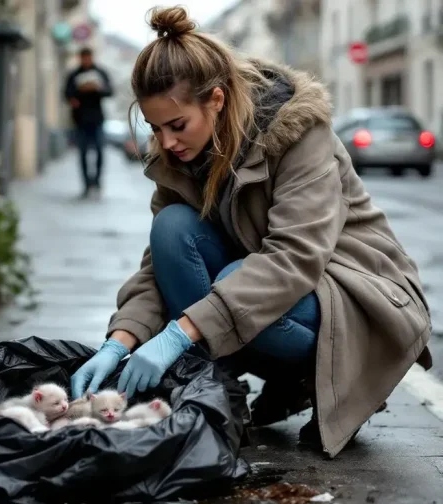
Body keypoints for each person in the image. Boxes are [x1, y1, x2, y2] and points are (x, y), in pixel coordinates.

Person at [70, 7, 433, 458]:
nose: (166, 142)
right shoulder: (179, 153)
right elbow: (158, 265)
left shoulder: (298, 132)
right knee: (172, 229)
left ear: (216, 100)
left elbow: (294, 257)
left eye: (177, 125)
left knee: (233, 280)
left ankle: (321, 379)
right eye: (155, 127)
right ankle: (215, 387)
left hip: (355, 295)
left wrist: (180, 334)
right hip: (267, 289)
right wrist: (119, 340)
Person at [64, 47, 113, 199]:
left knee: (99, 151)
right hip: (80, 120)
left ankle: (97, 182)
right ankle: (86, 185)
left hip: (97, 119)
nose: (86, 61)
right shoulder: (74, 74)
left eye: (88, 58)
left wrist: (96, 89)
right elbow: (66, 94)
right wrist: (78, 94)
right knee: (83, 153)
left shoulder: (100, 72)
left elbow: (110, 91)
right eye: (83, 58)